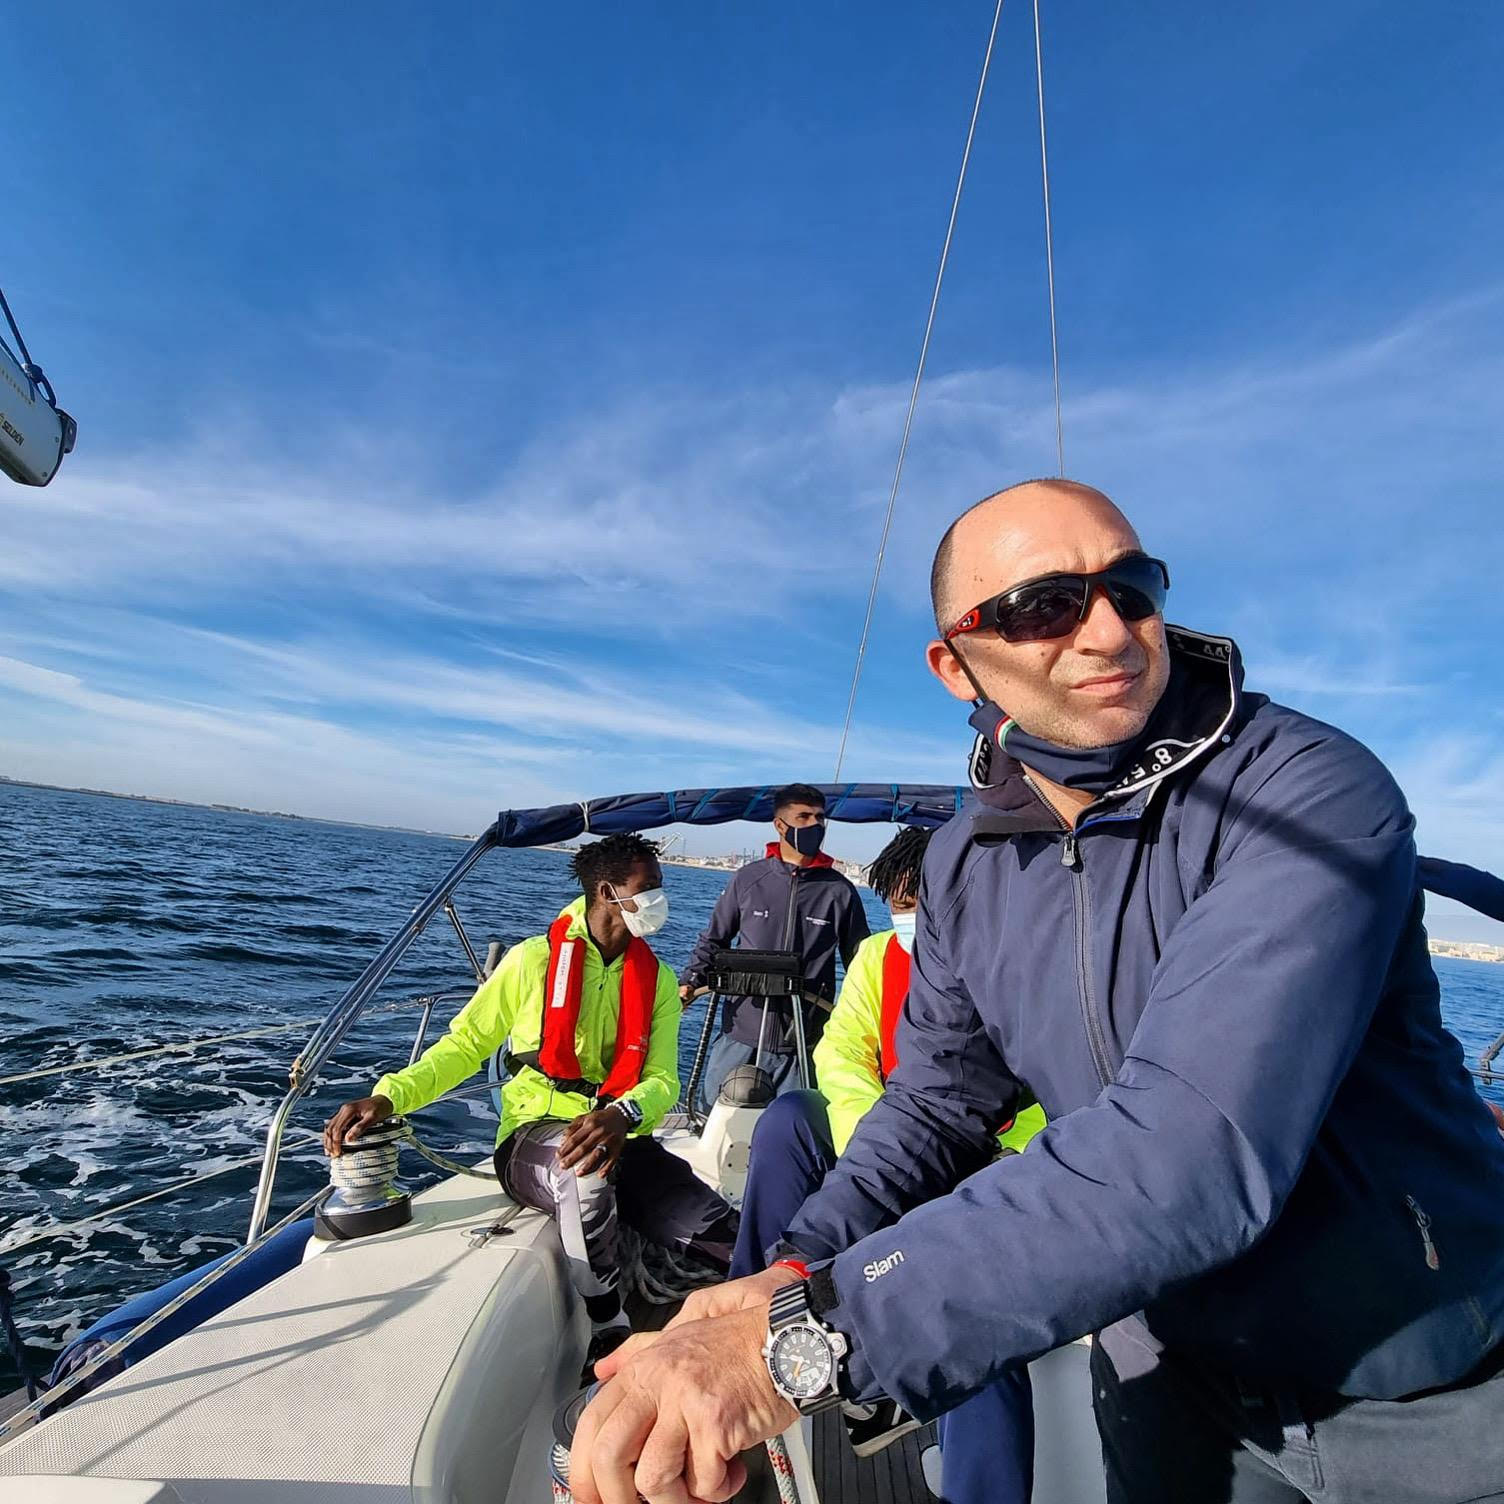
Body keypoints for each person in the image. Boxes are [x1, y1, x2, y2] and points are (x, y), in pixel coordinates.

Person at [567, 480, 1504, 1504]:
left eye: (1132, 589)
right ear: (955, 663)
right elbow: (936, 1105)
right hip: (1167, 1370)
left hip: (1415, 1385)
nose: (1110, 631)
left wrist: (801, 1344)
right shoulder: (968, 860)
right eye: (1045, 605)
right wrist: (791, 1271)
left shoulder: (1302, 791)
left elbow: (1186, 1153)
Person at [322, 833, 738, 1367]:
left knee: (731, 1241)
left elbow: (661, 1079)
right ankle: (608, 1327)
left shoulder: (655, 979)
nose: (659, 898)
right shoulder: (531, 961)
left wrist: (622, 1113)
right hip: (532, 1133)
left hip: (622, 1134)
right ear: (608, 892)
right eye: (649, 887)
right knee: (584, 1170)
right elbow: (466, 1045)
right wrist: (389, 1097)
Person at [729, 823, 1045, 1504]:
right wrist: (879, 1144)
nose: (909, 920)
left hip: (997, 1156)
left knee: (975, 1294)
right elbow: (841, 1052)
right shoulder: (877, 957)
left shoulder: (1024, 963)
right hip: (889, 1134)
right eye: (898, 905)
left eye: (919, 902)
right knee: (787, 1119)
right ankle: (754, 1302)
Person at [681, 783, 869, 1110]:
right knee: (714, 1120)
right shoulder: (748, 879)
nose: (815, 825)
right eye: (804, 817)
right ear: (780, 825)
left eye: (820, 818)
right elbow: (714, 938)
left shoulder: (839, 891)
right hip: (741, 1030)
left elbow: (860, 960)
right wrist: (690, 982)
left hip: (803, 1039)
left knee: (795, 1127)